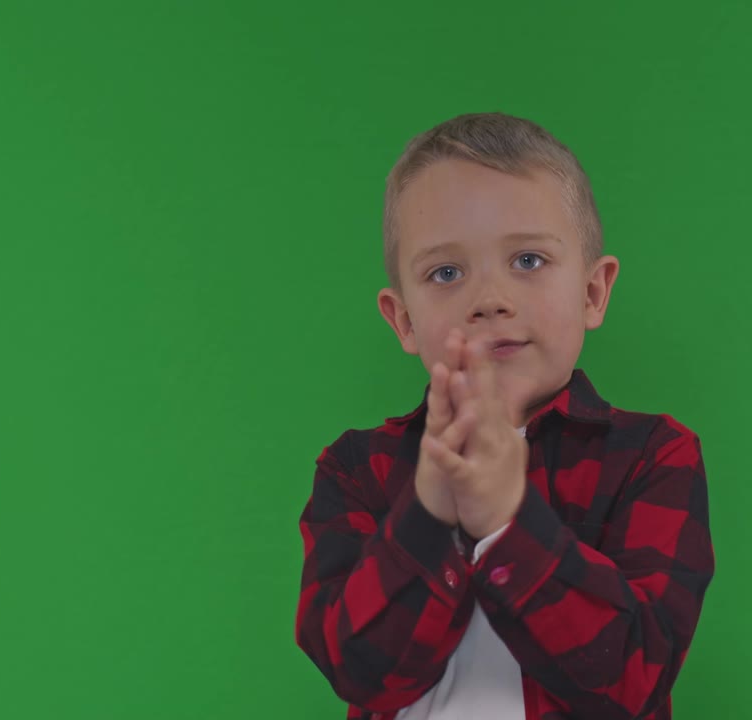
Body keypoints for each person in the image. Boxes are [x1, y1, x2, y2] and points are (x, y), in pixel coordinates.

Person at [294, 111, 715, 719]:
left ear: (593, 292)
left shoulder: (653, 455)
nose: (490, 301)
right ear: (404, 320)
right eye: (446, 273)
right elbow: (360, 673)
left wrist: (505, 523)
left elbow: (629, 678)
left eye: (528, 261)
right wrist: (430, 512)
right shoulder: (357, 469)